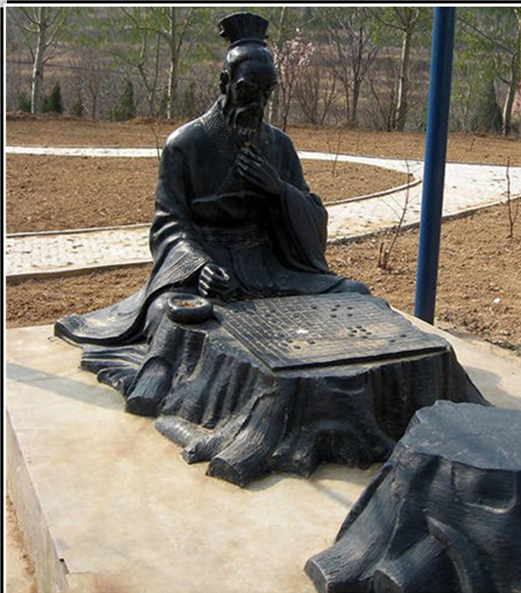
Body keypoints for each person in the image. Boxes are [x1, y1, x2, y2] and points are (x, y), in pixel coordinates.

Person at [55, 12, 368, 352]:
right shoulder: (186, 144)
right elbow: (168, 227)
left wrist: (280, 191)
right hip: (208, 272)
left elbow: (313, 221)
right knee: (171, 317)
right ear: (224, 83)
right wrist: (199, 266)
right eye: (247, 90)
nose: (258, 103)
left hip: (272, 269)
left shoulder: (279, 146)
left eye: (267, 92)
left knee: (355, 295)